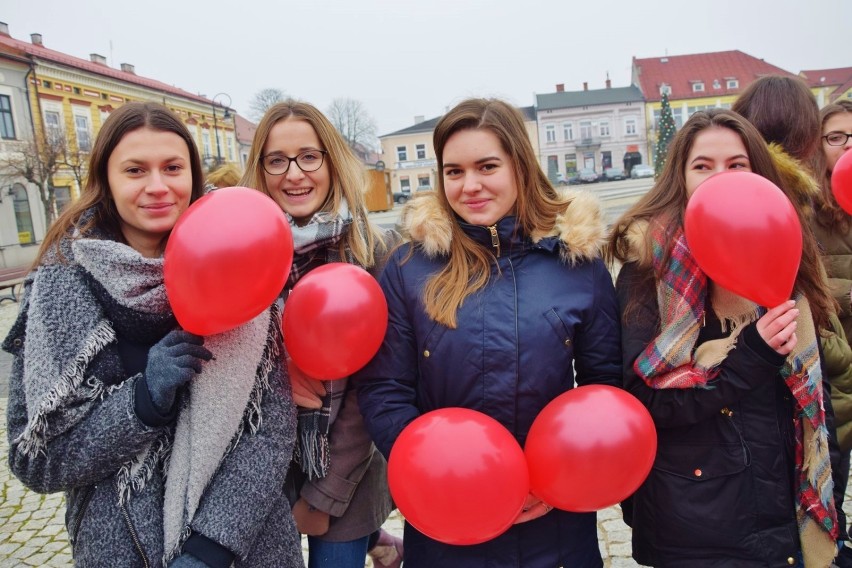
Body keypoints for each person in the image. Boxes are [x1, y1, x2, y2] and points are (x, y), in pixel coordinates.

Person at [3, 102, 303, 568]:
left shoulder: (239, 263)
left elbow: (269, 433)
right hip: (121, 548)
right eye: (136, 170)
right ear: (107, 180)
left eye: (173, 167)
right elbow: (36, 459)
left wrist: (210, 548)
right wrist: (141, 401)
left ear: (193, 175)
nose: (158, 186)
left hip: (247, 549)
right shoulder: (62, 285)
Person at [354, 98, 622, 567]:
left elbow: (605, 389)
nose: (470, 185)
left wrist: (560, 481)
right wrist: (438, 475)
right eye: (454, 171)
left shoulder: (577, 264)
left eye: (487, 166)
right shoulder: (408, 269)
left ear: (519, 165)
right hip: (447, 520)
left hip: (554, 529)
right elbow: (385, 389)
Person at [608, 108, 840, 567]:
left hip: (788, 520)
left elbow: (815, 393)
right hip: (695, 527)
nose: (720, 177)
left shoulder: (782, 241)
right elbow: (642, 401)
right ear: (680, 177)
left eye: (736, 165)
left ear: (758, 171)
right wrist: (749, 353)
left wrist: (830, 489)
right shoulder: (649, 268)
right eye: (702, 166)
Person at [239, 100, 401, 568]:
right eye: (276, 160)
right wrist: (280, 374)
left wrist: (324, 494)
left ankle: (373, 539)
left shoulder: (373, 250)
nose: (294, 174)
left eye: (309, 157)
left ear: (331, 162)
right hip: (266, 463)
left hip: (348, 467)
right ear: (261, 169)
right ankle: (382, 543)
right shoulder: (244, 252)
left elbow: (375, 388)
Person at [733, 77, 852, 562]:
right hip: (805, 384)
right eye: (833, 137)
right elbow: (806, 300)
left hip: (814, 382)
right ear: (809, 137)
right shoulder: (792, 203)